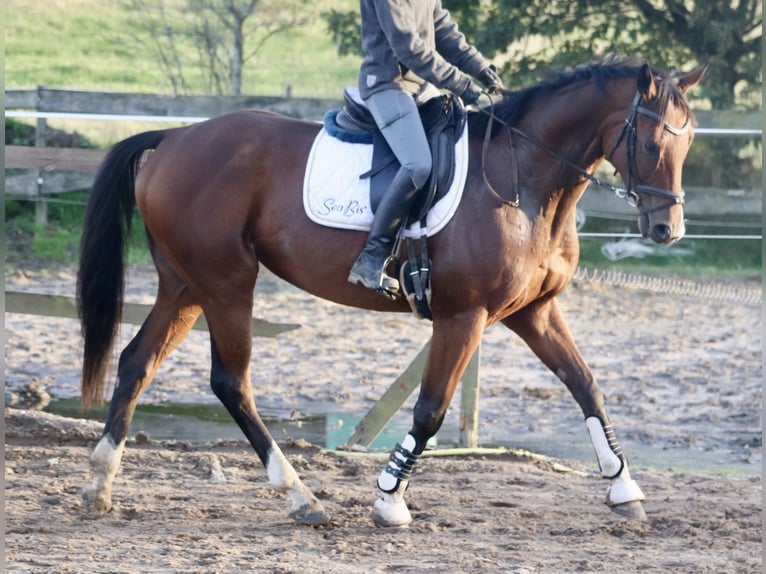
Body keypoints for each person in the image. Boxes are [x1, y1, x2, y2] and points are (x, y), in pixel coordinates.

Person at [347, 0, 504, 296]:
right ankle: (371, 257)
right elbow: (407, 46)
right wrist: (461, 84)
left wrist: (481, 69)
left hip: (422, 89)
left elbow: (444, 31)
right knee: (418, 164)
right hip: (387, 85)